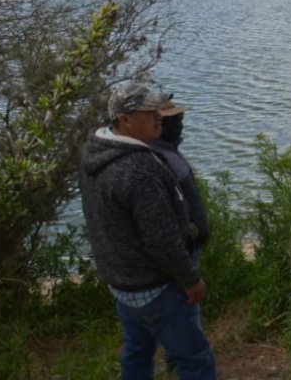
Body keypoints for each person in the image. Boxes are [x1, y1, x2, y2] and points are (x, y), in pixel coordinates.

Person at [80, 83, 216, 380]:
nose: (160, 117)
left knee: (137, 349)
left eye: (159, 110)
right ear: (125, 119)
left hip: (122, 282)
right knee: (195, 359)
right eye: (149, 112)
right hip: (157, 287)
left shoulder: (96, 151)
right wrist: (191, 281)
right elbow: (162, 241)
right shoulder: (140, 169)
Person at [149, 95, 209, 264]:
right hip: (181, 252)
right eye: (171, 120)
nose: (178, 124)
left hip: (190, 245)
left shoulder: (168, 152)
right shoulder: (155, 159)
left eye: (179, 118)